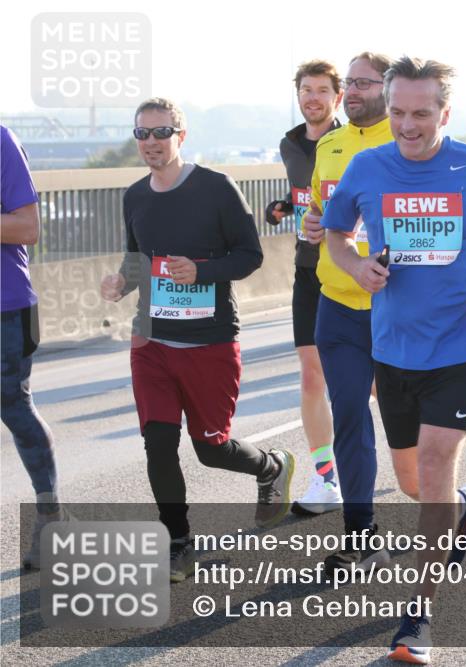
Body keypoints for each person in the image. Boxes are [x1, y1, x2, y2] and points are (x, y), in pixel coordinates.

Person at [320, 56, 466, 665]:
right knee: (418, 484)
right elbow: (336, 235)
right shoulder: (367, 165)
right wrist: (357, 265)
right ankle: (465, 506)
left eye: (420, 113)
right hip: (392, 349)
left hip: (460, 344)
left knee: (435, 467)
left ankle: (416, 618)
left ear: (445, 112)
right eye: (397, 112)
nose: (407, 125)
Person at [100, 98, 289, 583]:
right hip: (152, 344)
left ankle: (271, 467)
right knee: (158, 443)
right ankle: (178, 544)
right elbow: (137, 259)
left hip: (209, 342)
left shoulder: (216, 189)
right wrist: (122, 283)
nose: (150, 143)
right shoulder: (135, 196)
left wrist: (200, 272)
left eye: (161, 132)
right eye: (141, 134)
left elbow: (249, 256)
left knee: (210, 447)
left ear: (181, 136)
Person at [300, 51, 395, 571]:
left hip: (395, 309)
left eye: (364, 82)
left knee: (412, 429)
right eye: (350, 82)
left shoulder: (406, 144)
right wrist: (313, 224)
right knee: (351, 419)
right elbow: (318, 209)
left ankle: (452, 507)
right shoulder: (331, 145)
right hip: (336, 304)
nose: (352, 91)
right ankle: (362, 535)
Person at [266, 60, 343, 515]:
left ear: (337, 97)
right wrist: (283, 207)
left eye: (321, 90)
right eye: (305, 89)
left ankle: (421, 455)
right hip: (307, 270)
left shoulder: (354, 143)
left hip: (352, 272)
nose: (312, 97)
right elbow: (306, 197)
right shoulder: (290, 144)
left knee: (373, 381)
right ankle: (326, 479)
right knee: (313, 376)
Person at [1, 125, 65, 570]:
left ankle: (50, 515)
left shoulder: (1, 140)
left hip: (5, 305)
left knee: (13, 407)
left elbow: (28, 227)